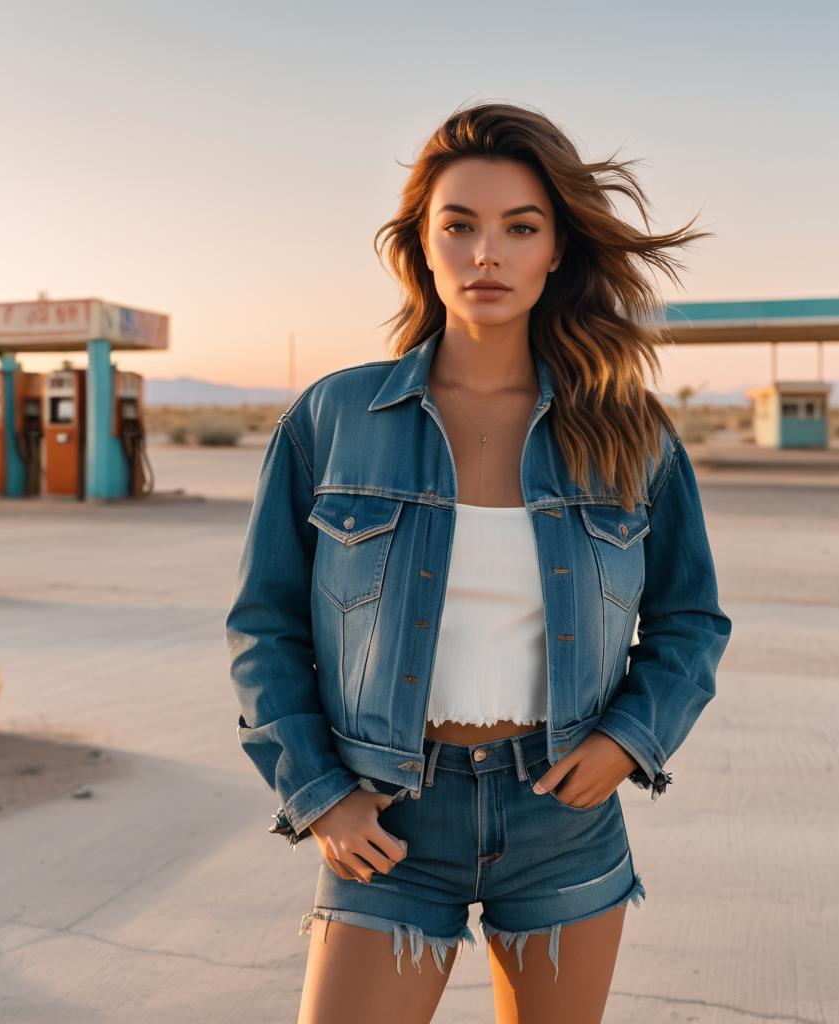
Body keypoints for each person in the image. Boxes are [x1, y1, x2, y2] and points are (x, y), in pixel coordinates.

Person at [226, 100, 732, 1024]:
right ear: (421, 246)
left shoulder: (630, 434)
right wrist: (319, 794)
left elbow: (690, 620)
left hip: (561, 815)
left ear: (556, 251)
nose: (486, 253)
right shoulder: (333, 421)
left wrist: (629, 741)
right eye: (458, 226)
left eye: (520, 228)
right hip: (385, 815)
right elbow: (265, 626)